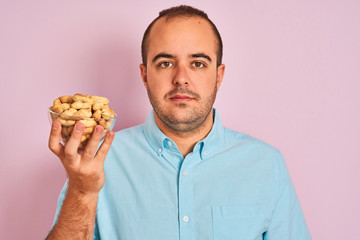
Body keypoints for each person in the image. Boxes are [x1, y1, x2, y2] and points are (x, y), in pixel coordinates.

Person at [47, 5, 312, 240]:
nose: (181, 78)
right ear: (144, 75)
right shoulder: (97, 161)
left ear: (219, 76)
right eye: (165, 63)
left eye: (198, 63)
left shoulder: (266, 165)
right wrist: (82, 192)